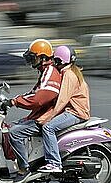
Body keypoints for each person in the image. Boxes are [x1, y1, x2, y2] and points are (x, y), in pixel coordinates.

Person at [6, 39, 61, 181]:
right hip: (40, 114)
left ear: (42, 57)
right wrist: (13, 100)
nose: (31, 61)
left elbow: (39, 99)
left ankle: (24, 169)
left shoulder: (51, 73)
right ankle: (25, 160)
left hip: (46, 116)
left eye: (33, 57)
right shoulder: (44, 72)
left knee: (14, 133)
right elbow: (34, 92)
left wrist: (15, 102)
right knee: (10, 126)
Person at [36, 45, 90, 173]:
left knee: (48, 127)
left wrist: (48, 117)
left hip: (76, 113)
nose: (54, 63)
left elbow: (62, 100)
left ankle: (54, 163)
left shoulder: (69, 75)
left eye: (56, 60)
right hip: (73, 110)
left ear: (60, 60)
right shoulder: (69, 71)